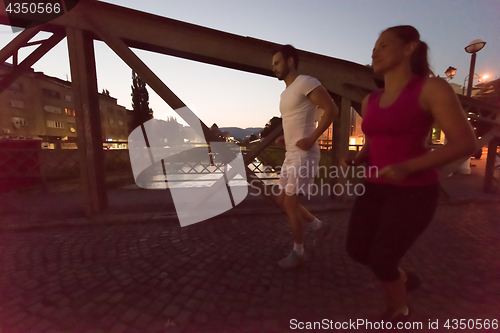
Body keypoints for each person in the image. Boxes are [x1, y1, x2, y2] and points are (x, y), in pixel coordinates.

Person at [345, 25, 477, 321]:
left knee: (382, 258)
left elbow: (465, 142)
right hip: (373, 187)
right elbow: (375, 139)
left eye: (384, 45)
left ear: (409, 48)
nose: (375, 51)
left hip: (414, 191)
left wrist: (408, 166)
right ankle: (401, 278)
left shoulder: (431, 89)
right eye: (374, 46)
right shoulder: (371, 100)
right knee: (356, 249)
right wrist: (357, 158)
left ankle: (399, 309)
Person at [272, 44, 338, 269]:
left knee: (290, 202)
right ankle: (319, 226)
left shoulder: (307, 82)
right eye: (273, 65)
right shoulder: (284, 94)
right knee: (281, 200)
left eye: (277, 63)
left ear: (290, 61)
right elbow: (293, 120)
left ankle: (299, 252)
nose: (274, 68)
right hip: (291, 154)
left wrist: (312, 138)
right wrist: (283, 137)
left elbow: (332, 110)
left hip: (305, 154)